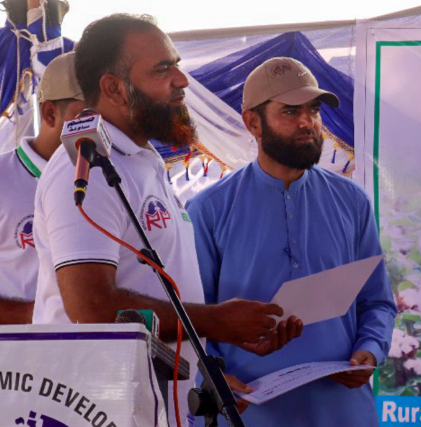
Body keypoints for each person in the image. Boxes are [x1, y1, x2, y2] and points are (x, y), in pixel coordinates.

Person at [31, 14, 299, 423]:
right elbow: (92, 307)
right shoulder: (83, 169)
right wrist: (218, 321)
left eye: (176, 64)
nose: (182, 80)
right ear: (113, 88)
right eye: (162, 69)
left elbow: (150, 292)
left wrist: (205, 370)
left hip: (149, 405)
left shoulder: (141, 160)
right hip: (96, 409)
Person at [186, 57, 397, 426]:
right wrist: (212, 379)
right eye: (290, 111)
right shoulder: (210, 209)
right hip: (249, 414)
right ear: (253, 122)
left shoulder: (351, 201)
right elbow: (191, 320)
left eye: (313, 110)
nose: (307, 122)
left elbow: (377, 301)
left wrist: (370, 349)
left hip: (342, 411)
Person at [0, 52, 84, 324]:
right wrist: (48, 314)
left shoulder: (114, 181)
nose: (104, 128)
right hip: (17, 351)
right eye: (90, 115)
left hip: (103, 349)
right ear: (50, 113)